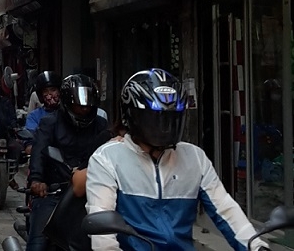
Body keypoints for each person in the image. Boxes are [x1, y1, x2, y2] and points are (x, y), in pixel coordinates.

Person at [85, 69, 268, 251]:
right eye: (155, 119)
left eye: (171, 119)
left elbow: (226, 210)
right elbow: (103, 232)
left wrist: (256, 246)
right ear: (131, 116)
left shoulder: (195, 158)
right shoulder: (107, 158)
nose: (164, 128)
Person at [27, 74, 111, 251]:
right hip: (53, 192)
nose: (84, 109)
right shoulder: (49, 123)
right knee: (37, 245)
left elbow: (109, 156)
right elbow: (39, 152)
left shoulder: (101, 126)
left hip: (91, 194)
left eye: (87, 105)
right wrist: (36, 180)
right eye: (78, 105)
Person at [23, 71, 62, 154]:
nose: (50, 94)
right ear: (41, 95)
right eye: (46, 91)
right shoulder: (34, 116)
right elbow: (29, 143)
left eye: (53, 90)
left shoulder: (68, 113)